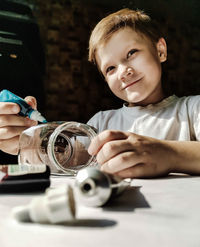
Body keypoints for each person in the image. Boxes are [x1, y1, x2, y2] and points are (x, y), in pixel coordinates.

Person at [0, 8, 200, 178]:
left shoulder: (192, 109)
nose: (123, 72)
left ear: (160, 50)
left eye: (131, 53)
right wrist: (27, 142)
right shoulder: (99, 124)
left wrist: (168, 154)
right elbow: (63, 161)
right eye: (110, 69)